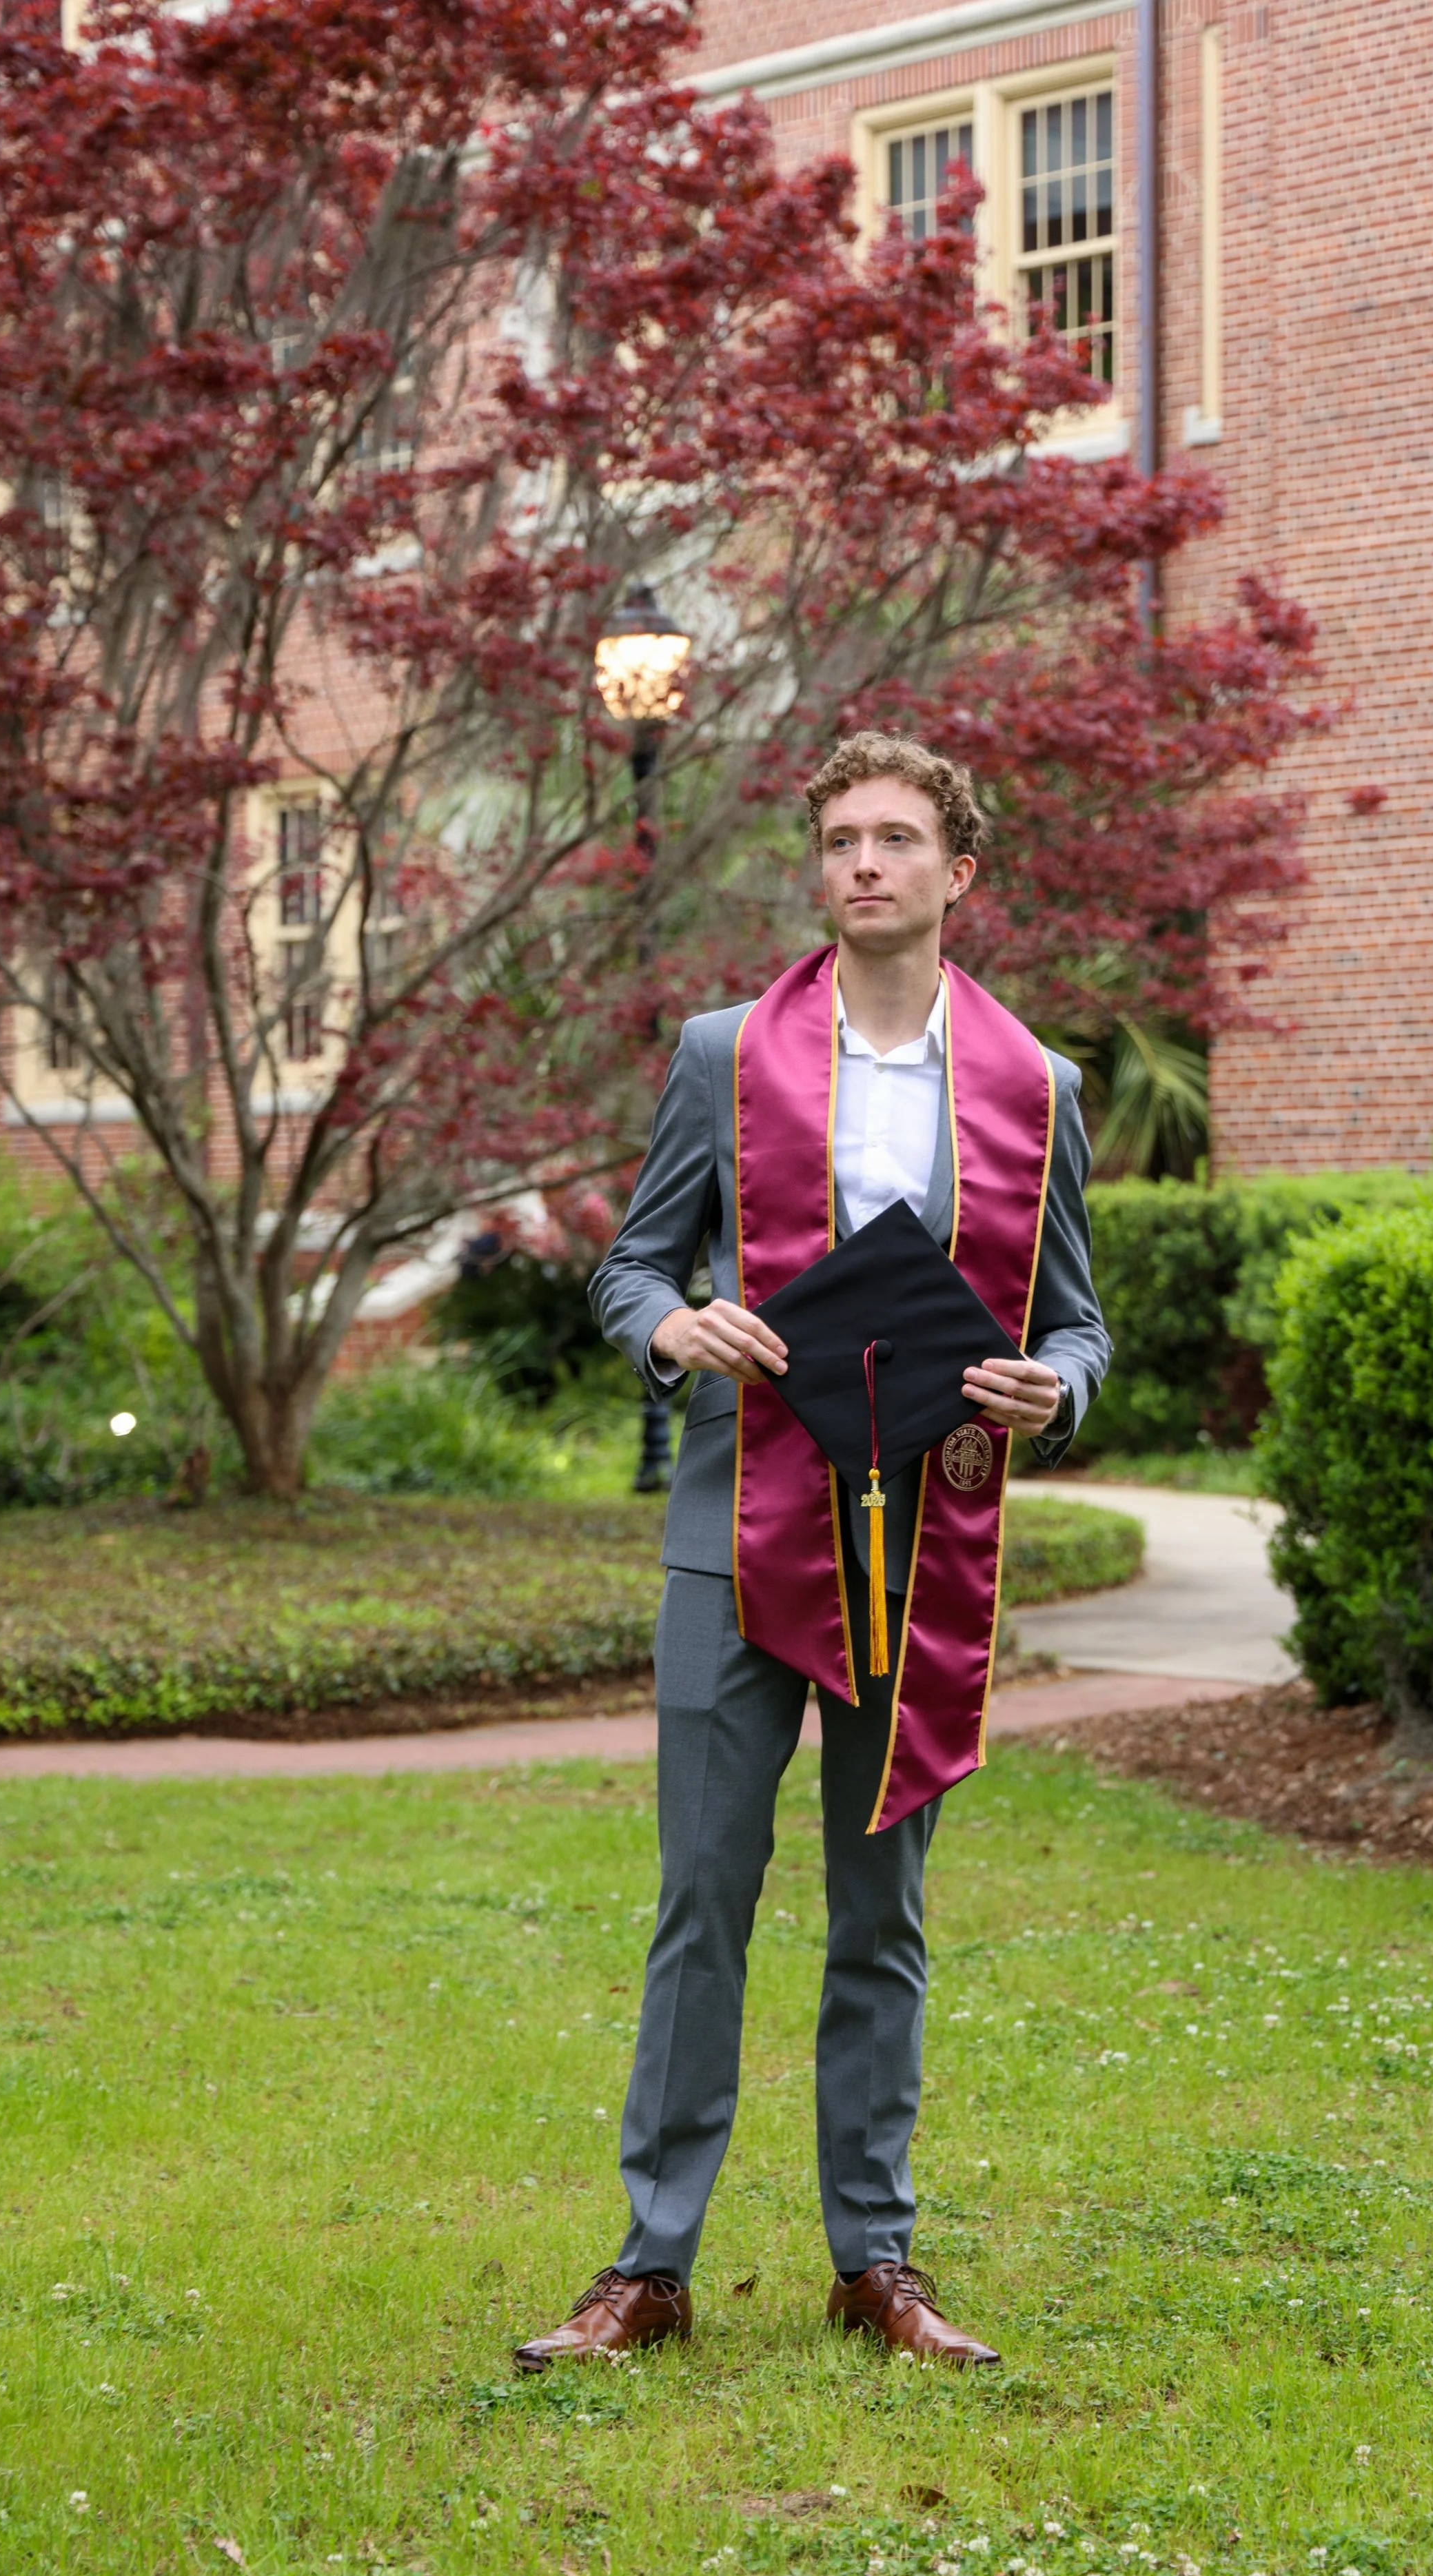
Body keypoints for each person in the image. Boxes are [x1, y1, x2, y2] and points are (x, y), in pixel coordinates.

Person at [514, 732, 1110, 2371]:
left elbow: (1073, 1316)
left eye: (897, 837)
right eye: (840, 836)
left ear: (953, 871)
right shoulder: (724, 1054)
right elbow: (631, 1265)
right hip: (732, 1534)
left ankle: (877, 2259)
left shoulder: (1035, 1084)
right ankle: (647, 2264)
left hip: (918, 1548)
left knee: (881, 1914)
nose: (863, 861)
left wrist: (1053, 1386)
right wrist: (673, 1325)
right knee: (701, 1898)